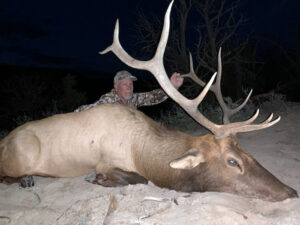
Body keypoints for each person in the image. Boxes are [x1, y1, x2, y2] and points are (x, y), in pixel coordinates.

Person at [74, 70, 183, 112]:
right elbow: (83, 110)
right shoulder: (108, 100)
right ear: (116, 87)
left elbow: (154, 97)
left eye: (131, 84)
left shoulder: (133, 98)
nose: (129, 87)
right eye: (125, 84)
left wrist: (172, 86)